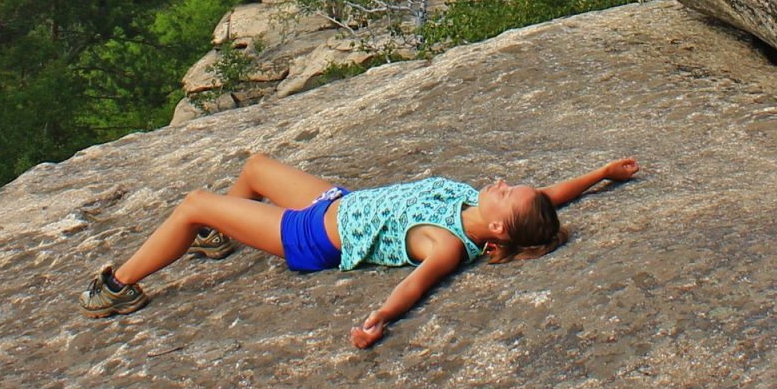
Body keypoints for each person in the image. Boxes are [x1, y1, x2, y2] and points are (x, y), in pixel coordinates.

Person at [80, 152, 641, 348]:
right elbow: (546, 198)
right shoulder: (479, 206)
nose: (501, 181)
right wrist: (601, 175)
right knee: (254, 167)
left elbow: (415, 286)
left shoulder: (444, 241)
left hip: (310, 236)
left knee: (195, 201)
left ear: (496, 230)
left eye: (506, 191)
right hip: (337, 200)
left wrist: (378, 319)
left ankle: (118, 288)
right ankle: (220, 234)